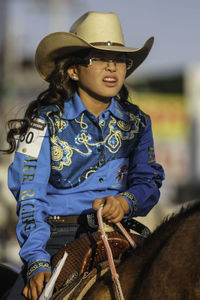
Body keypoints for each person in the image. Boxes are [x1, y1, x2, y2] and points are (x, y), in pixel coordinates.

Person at [5, 11, 165, 300]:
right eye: (99, 59)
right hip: (56, 236)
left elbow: (148, 180)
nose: (112, 67)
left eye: (119, 60)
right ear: (73, 70)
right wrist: (36, 260)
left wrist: (125, 202)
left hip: (121, 231)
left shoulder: (138, 122)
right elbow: (29, 194)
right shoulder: (44, 122)